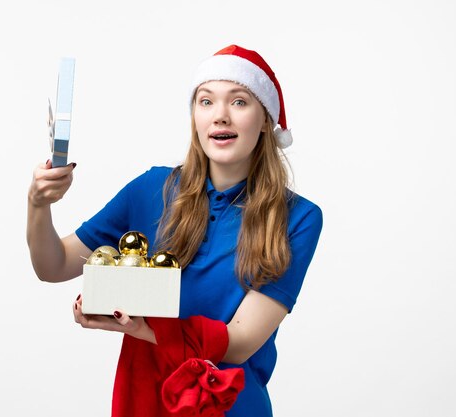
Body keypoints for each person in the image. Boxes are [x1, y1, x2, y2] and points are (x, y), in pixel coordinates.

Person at [27, 45, 323, 417]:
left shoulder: (298, 217)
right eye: (206, 101)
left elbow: (242, 342)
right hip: (143, 402)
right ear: (194, 116)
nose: (220, 116)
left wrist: (141, 330)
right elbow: (52, 266)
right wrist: (39, 205)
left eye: (239, 102)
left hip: (230, 407)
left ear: (265, 120)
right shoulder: (151, 190)